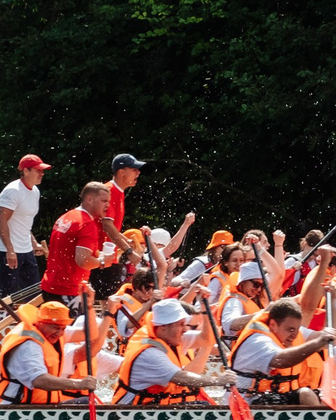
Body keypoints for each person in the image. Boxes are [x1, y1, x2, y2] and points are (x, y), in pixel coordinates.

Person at [230, 299, 333, 405]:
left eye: (297, 329)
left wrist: (333, 302)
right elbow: (281, 361)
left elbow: (333, 341)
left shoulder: (286, 329)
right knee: (305, 395)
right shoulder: (257, 340)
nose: (295, 335)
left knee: (323, 397)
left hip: (267, 397)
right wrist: (317, 343)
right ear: (273, 325)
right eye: (291, 330)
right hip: (244, 404)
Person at [0, 302, 96, 405]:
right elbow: (39, 380)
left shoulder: (49, 332)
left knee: (87, 401)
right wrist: (78, 384)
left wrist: (89, 306)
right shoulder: (28, 345)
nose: (60, 333)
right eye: (56, 328)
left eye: (63, 329)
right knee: (86, 403)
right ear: (41, 322)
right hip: (20, 410)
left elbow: (91, 334)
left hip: (42, 408)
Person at [120, 299, 217, 404]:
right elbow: (181, 378)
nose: (185, 330)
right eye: (180, 324)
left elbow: (207, 339)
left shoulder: (170, 338)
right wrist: (218, 381)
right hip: (133, 413)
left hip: (155, 408)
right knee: (203, 408)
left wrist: (204, 308)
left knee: (202, 406)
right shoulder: (150, 353)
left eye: (185, 324)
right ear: (163, 326)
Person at [42, 182, 117, 303]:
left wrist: (99, 255)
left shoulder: (66, 216)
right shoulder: (87, 224)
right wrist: (102, 262)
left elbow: (68, 251)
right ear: (89, 199)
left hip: (50, 286)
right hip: (68, 291)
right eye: (104, 201)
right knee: (78, 323)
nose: (108, 205)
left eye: (108, 201)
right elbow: (83, 260)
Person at [89, 153, 145, 299]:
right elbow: (107, 227)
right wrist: (128, 251)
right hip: (98, 256)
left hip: (106, 257)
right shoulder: (108, 191)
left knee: (108, 304)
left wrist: (126, 242)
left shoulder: (117, 192)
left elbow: (109, 227)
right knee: (108, 305)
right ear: (121, 172)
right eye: (134, 169)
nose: (138, 173)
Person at [0, 154, 49, 296]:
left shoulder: (35, 191)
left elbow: (24, 223)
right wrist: (10, 250)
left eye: (42, 171)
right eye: (38, 171)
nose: (42, 174)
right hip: (8, 249)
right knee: (8, 295)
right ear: (26, 171)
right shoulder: (13, 191)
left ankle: (30, 317)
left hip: (25, 249)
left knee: (34, 293)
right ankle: (4, 315)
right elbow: (1, 222)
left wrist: (34, 244)